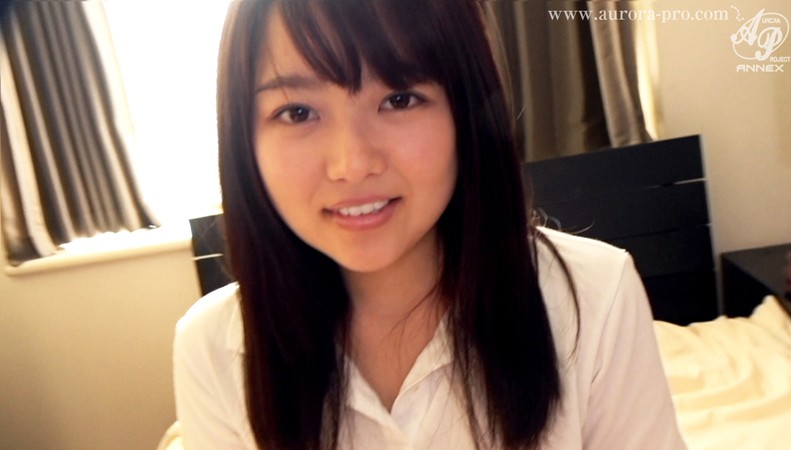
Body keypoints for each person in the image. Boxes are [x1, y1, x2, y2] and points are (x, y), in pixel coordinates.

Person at [173, 0, 686, 449]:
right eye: (298, 112)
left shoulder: (594, 297)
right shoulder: (214, 346)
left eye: (399, 99)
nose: (352, 164)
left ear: (466, 114)